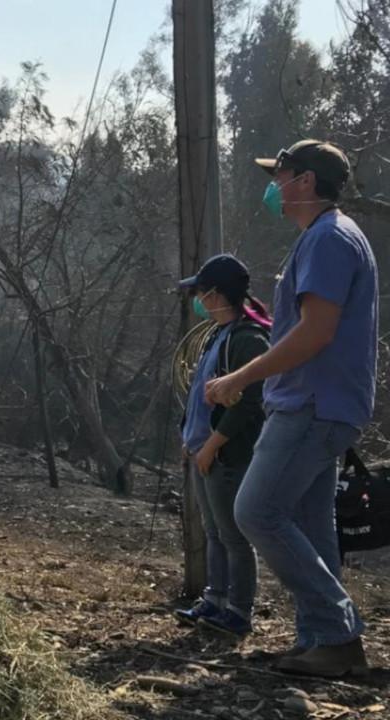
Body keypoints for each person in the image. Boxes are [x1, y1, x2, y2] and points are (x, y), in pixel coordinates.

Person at [206, 139, 378, 678]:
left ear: (304, 181)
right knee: (310, 520)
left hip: (311, 404)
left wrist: (239, 377)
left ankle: (338, 632)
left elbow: (315, 334)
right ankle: (319, 644)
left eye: (278, 175)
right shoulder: (329, 237)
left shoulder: (328, 239)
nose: (273, 187)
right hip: (319, 403)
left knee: (255, 511)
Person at [173, 254, 271, 639]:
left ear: (216, 294)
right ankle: (214, 600)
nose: (198, 299)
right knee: (213, 532)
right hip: (203, 449)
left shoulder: (248, 339)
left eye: (201, 291)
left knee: (233, 535)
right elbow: (201, 393)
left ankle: (239, 611)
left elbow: (249, 404)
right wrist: (191, 438)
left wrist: (213, 444)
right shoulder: (217, 335)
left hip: (228, 454)